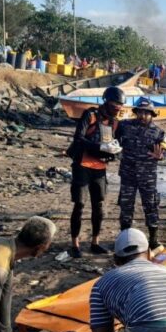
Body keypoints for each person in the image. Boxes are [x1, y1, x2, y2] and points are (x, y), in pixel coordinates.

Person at [67, 86, 124, 257]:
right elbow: (78, 138)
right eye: (115, 104)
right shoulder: (90, 115)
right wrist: (99, 146)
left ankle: (95, 242)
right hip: (82, 166)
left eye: (120, 105)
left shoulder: (115, 123)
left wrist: (114, 153)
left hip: (100, 169)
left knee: (98, 206)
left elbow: (119, 144)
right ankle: (75, 244)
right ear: (106, 102)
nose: (117, 108)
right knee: (79, 205)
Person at [115, 100, 166, 251]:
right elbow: (113, 138)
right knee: (126, 206)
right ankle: (125, 239)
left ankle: (153, 239)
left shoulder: (158, 132)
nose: (143, 116)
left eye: (146, 113)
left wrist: (161, 156)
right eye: (140, 112)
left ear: (152, 114)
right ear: (136, 112)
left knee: (151, 205)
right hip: (128, 174)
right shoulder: (125, 126)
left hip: (148, 176)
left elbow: (164, 150)